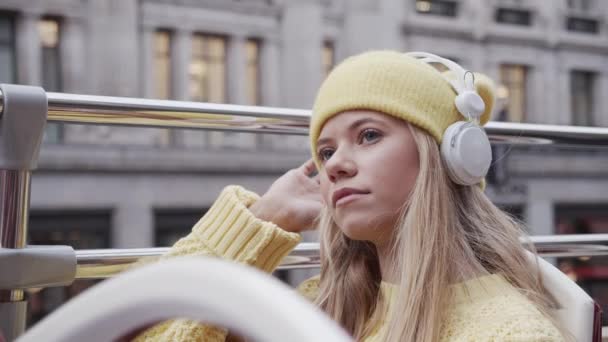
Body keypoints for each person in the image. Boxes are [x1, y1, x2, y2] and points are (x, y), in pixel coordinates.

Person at [132, 50, 567, 341]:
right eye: (326, 151)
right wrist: (261, 219)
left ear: (450, 158)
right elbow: (130, 327)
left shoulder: (511, 332)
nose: (335, 164)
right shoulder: (327, 309)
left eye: (369, 135)